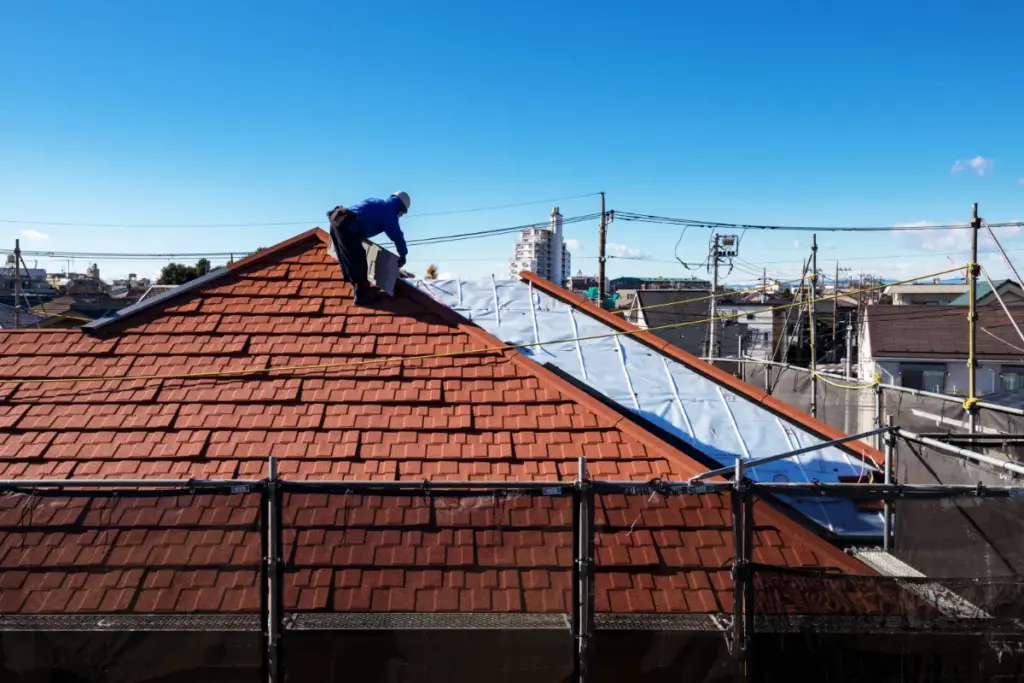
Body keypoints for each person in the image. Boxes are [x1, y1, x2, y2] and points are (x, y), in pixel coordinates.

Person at [327, 191, 410, 305]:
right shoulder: (390, 213)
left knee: (345, 255)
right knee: (358, 258)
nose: (401, 215)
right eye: (402, 213)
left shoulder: (376, 201)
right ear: (400, 207)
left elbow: (361, 214)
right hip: (347, 226)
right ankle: (360, 296)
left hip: (337, 218)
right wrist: (403, 254)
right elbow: (397, 236)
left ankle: (357, 285)